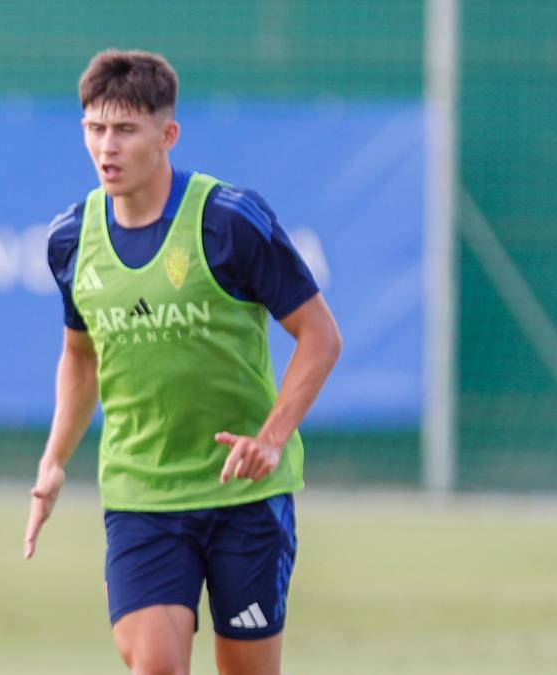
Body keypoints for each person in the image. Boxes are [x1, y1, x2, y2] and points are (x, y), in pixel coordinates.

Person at [23, 50, 342, 675]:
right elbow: (81, 358)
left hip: (245, 493)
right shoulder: (70, 239)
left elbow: (320, 336)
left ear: (167, 134)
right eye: (94, 128)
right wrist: (54, 460)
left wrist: (272, 438)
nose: (105, 147)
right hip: (142, 492)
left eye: (124, 130)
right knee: (157, 665)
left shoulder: (229, 221)